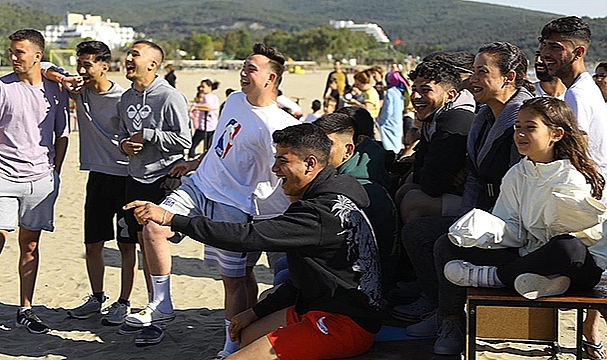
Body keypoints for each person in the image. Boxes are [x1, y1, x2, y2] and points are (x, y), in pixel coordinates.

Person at [125, 123, 382, 360]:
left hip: (343, 323)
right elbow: (306, 279)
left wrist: (172, 218)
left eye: (283, 161)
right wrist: (252, 313)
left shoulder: (319, 213)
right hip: (320, 303)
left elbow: (246, 237)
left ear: (310, 164)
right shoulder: (330, 194)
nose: (274, 169)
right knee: (245, 335)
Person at [123, 43, 299, 355]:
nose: (243, 73)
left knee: (236, 280)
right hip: (201, 185)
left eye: (252, 69)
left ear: (271, 79)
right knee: (153, 225)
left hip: (236, 206)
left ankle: (231, 345)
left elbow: (286, 174)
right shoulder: (233, 99)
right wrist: (196, 162)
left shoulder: (279, 125)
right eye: (243, 66)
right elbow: (222, 143)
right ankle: (161, 303)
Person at [438, 97, 607, 353]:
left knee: (566, 247)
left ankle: (498, 278)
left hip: (573, 267)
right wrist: (483, 232)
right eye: (517, 126)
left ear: (556, 134)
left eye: (530, 127)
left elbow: (586, 238)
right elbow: (513, 227)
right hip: (528, 260)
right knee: (447, 243)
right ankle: (452, 321)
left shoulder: (574, 175)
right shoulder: (518, 173)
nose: (520, 133)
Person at [403, 42, 535, 355]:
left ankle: (452, 322)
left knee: (446, 245)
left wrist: (480, 227)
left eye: (482, 72)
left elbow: (523, 182)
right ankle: (439, 309)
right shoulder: (485, 114)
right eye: (472, 71)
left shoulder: (525, 117)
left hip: (519, 221)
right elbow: (475, 176)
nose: (471, 79)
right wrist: (465, 221)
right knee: (418, 233)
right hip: (484, 210)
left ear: (509, 77)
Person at [42, 41, 139, 326]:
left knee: (125, 245)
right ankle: (97, 298)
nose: (82, 70)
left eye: (88, 64)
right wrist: (64, 78)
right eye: (79, 64)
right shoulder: (78, 90)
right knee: (93, 243)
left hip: (124, 178)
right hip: (96, 176)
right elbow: (45, 67)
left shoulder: (123, 98)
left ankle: (124, 302)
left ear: (104, 66)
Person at [539, 16, 607, 357]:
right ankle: (589, 335)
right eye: (543, 44)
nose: (544, 53)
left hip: (583, 200)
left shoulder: (579, 96)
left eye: (555, 47)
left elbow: (572, 153)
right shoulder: (580, 91)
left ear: (578, 51)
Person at [118, 39, 191, 341]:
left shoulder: (170, 96)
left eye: (135, 54)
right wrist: (125, 145)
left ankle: (157, 317)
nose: (128, 59)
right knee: (142, 247)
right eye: (128, 54)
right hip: (135, 178)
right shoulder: (124, 98)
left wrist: (149, 134)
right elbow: (122, 135)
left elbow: (184, 140)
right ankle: (152, 308)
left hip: (163, 179)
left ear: (152, 64)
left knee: (155, 245)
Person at [0, 29, 70, 334]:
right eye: (11, 51)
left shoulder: (56, 90)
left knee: (29, 246)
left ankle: (25, 309)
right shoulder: (3, 88)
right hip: (3, 177)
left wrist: (55, 172)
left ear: (37, 56)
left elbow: (62, 134)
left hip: (41, 180)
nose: (13, 57)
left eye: (20, 52)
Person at [314, 113, 399, 294]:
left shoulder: (358, 191)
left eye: (327, 144)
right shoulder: (347, 179)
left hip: (358, 291)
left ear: (350, 148)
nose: (318, 150)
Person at [377, 69, 407, 153]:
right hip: (396, 122)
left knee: (388, 147)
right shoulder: (399, 92)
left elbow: (388, 110)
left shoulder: (391, 92)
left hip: (388, 124)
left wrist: (380, 121)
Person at [189, 78, 220, 158]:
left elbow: (208, 106)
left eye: (203, 87)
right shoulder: (214, 97)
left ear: (209, 87)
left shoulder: (208, 97)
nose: (201, 89)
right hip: (212, 125)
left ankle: (191, 157)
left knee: (193, 144)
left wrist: (195, 107)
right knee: (208, 146)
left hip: (205, 126)